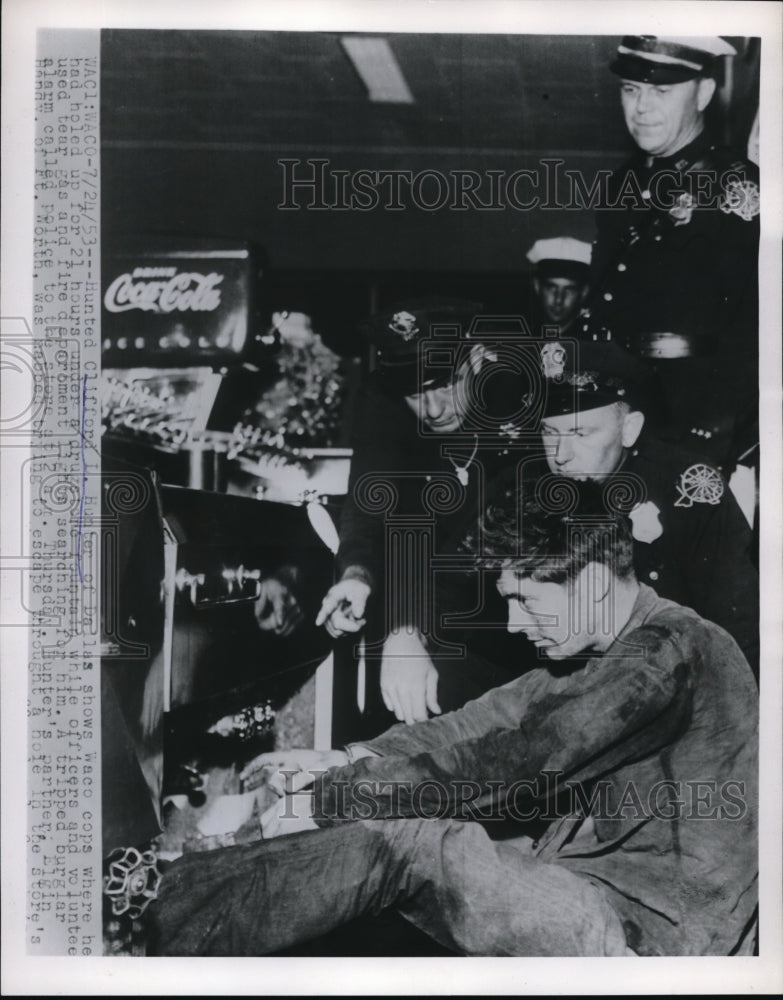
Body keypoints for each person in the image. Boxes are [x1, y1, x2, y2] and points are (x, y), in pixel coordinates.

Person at [148, 482, 758, 957]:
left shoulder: (663, 652)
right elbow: (479, 724)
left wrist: (331, 797)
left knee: (413, 843)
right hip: (600, 891)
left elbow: (513, 765)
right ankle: (182, 896)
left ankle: (160, 922)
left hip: (651, 935)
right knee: (400, 832)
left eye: (526, 599)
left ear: (595, 582)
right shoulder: (609, 647)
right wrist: (345, 758)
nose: (516, 623)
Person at [316, 298, 533, 728]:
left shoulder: (516, 399)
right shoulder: (382, 398)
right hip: (418, 604)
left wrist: (410, 627)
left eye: (446, 385)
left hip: (509, 619)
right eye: (416, 392)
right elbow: (367, 504)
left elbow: (483, 539)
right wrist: (357, 575)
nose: (433, 409)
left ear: (475, 359)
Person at [528, 337, 759, 675]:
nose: (561, 455)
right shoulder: (527, 486)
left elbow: (738, 632)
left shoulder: (685, 492)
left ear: (629, 429)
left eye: (580, 434)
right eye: (549, 433)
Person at [586, 35, 759, 471]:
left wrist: (716, 433)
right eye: (631, 89)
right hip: (623, 418)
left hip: (696, 425)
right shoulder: (619, 184)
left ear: (703, 94)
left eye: (661, 91)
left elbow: (755, 323)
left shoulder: (736, 187)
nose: (641, 107)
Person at [524, 237, 591, 336]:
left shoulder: (597, 347)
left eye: (569, 290)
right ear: (537, 286)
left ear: (584, 292)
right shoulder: (519, 340)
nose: (558, 300)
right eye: (551, 288)